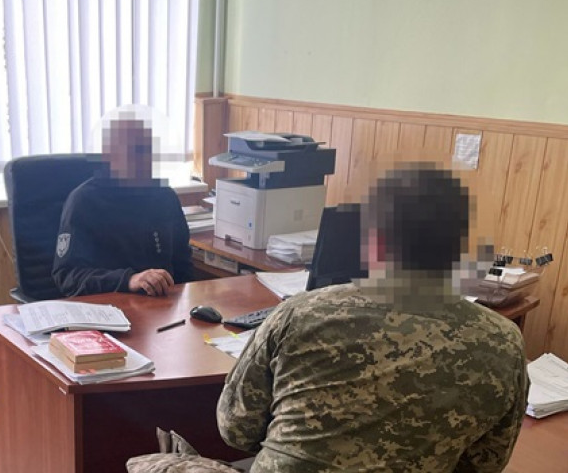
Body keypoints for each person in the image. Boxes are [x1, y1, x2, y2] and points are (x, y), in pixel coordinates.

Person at [216, 164, 528, 472]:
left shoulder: (298, 314)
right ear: (458, 249)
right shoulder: (503, 340)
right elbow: (486, 463)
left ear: (375, 242)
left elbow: (237, 430)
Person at [52, 117, 193, 297]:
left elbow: (182, 264)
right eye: (137, 151)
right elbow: (67, 276)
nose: (146, 160)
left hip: (162, 305)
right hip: (106, 305)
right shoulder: (84, 201)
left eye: (149, 151)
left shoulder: (165, 196)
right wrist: (129, 280)